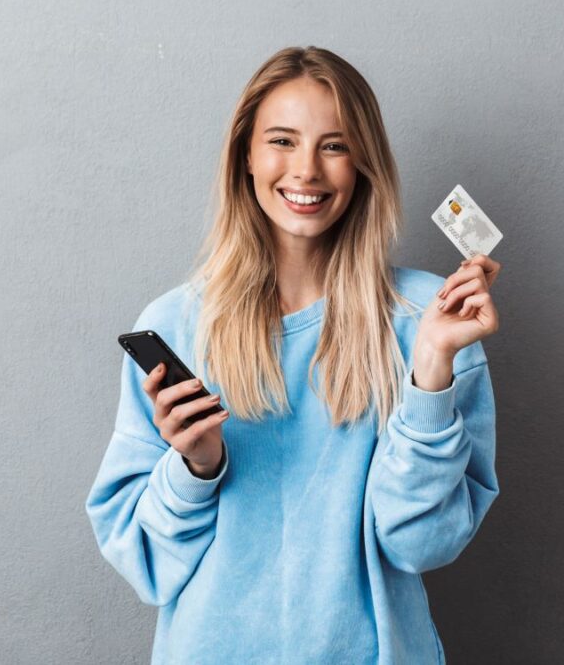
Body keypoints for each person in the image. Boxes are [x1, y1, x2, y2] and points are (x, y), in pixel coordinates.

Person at [85, 45, 502, 665]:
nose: (306, 170)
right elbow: (144, 561)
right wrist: (195, 467)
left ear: (363, 164)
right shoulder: (173, 326)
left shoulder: (431, 319)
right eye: (282, 140)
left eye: (333, 145)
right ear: (245, 157)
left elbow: (419, 543)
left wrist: (432, 371)